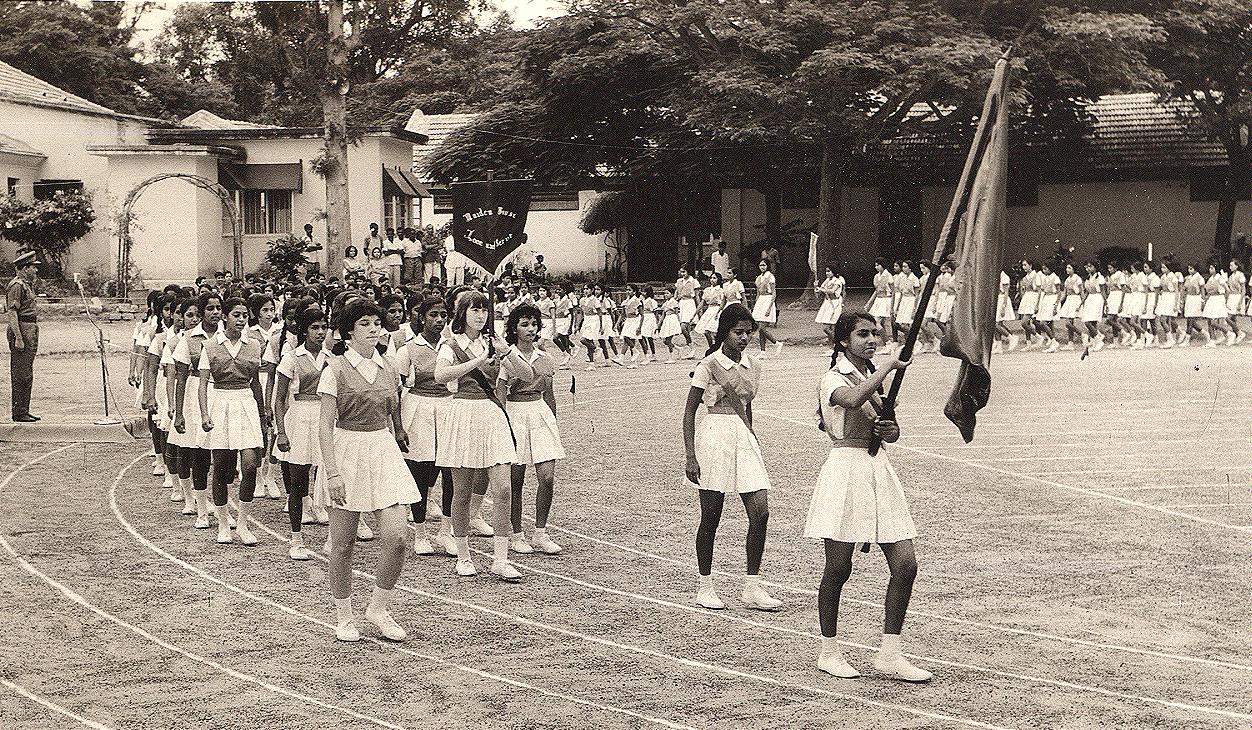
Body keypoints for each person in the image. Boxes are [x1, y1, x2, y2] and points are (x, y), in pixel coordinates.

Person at [804, 311, 930, 682]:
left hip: (878, 469)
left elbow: (889, 433)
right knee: (839, 568)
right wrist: (889, 366)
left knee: (906, 565)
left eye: (874, 333)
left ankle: (890, 653)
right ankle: (829, 651)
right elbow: (853, 400)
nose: (871, 339)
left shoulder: (869, 378)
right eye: (863, 334)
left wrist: (891, 430)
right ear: (843, 340)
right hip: (845, 470)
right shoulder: (833, 378)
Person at [319, 297, 419, 642]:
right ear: (348, 331)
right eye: (365, 323)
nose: (374, 328)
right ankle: (344, 617)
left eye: (376, 322)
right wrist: (332, 473)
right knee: (343, 544)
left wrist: (400, 430)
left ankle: (378, 608)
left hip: (382, 450)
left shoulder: (389, 367)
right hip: (347, 451)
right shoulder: (334, 370)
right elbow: (324, 426)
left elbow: (393, 410)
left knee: (397, 538)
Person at [683, 303, 782, 612]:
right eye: (738, 332)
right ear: (724, 332)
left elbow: (746, 405)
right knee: (711, 515)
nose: (744, 338)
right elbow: (689, 412)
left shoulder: (754, 365)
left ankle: (752, 587)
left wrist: (751, 435)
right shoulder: (708, 365)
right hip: (714, 435)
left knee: (761, 512)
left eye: (748, 332)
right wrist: (690, 455)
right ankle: (705, 586)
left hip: (742, 436)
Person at [434, 289, 520, 580]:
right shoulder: (450, 344)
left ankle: (500, 559)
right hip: (463, 414)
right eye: (475, 310)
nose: (481, 315)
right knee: (461, 490)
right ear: (462, 314)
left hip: (491, 415)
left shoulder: (494, 343)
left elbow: (528, 375)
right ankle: (463, 555)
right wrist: (478, 359)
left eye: (484, 310)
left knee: (503, 489)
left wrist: (505, 352)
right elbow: (441, 375)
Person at [197, 297, 269, 546]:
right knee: (222, 466)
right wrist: (205, 414)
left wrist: (262, 415)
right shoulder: (210, 346)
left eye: (244, 315)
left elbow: (257, 383)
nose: (241, 319)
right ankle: (223, 524)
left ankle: (243, 524)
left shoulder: (254, 344)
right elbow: (203, 383)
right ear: (225, 316)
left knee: (250, 464)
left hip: (246, 402)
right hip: (220, 402)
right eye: (236, 315)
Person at [498, 304, 565, 555]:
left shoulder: (545, 358)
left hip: (540, 415)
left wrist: (553, 422)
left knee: (547, 478)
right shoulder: (506, 357)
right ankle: (516, 534)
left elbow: (550, 394)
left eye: (534, 324)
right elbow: (501, 393)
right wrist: (503, 423)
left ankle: (540, 533)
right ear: (514, 328)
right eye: (524, 324)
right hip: (514, 415)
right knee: (515, 479)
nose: (530, 329)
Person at [393, 295, 456, 557]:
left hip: (448, 408)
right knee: (419, 471)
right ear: (421, 317)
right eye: (433, 315)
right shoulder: (407, 350)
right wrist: (398, 427)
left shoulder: (452, 348)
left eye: (443, 315)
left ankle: (446, 530)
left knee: (450, 471)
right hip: (417, 408)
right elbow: (396, 391)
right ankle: (420, 532)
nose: (439, 320)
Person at [273, 306, 329, 560]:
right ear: (303, 330)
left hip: (326, 417)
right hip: (299, 417)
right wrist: (281, 432)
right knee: (298, 481)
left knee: (331, 477)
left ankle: (332, 538)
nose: (319, 332)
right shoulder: (292, 357)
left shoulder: (331, 357)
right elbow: (279, 397)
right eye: (314, 328)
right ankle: (296, 540)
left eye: (323, 327)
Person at [173, 292, 224, 529]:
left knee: (223, 455)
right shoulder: (188, 339)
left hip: (223, 393)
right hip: (196, 394)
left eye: (218, 308)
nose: (215, 312)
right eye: (210, 308)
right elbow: (181, 378)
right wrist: (179, 412)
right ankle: (202, 509)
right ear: (202, 312)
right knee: (200, 455)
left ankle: (222, 507)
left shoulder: (229, 335)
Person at [6, 250, 41, 422]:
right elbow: (12, 314)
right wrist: (19, 338)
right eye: (33, 267)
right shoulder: (17, 286)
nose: (35, 271)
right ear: (24, 268)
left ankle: (23, 410)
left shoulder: (26, 285)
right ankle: (19, 412)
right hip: (22, 329)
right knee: (21, 373)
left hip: (29, 328)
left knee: (26, 372)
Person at [752, 260, 783, 357]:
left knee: (762, 327)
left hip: (768, 300)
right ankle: (763, 351)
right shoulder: (759, 278)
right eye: (760, 265)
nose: (762, 267)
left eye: (764, 265)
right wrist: (756, 305)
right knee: (760, 328)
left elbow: (774, 293)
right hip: (761, 300)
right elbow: (758, 293)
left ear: (767, 266)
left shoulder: (770, 276)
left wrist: (769, 307)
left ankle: (776, 343)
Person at [865, 259, 895, 351]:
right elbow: (876, 291)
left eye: (878, 265)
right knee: (876, 322)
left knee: (883, 323)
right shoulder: (877, 276)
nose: (876, 267)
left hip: (886, 300)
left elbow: (893, 291)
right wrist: (869, 303)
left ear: (883, 265)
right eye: (875, 265)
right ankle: (888, 343)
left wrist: (892, 306)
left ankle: (889, 343)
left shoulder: (888, 276)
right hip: (879, 300)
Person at [815, 267, 845, 353]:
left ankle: (839, 343)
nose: (827, 273)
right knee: (828, 327)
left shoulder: (837, 281)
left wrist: (821, 289)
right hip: (827, 304)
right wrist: (816, 287)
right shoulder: (827, 281)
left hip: (835, 304)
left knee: (830, 327)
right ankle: (832, 347)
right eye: (826, 271)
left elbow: (832, 291)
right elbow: (818, 293)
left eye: (829, 271)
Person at [675, 266, 702, 359]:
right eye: (681, 272)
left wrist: (699, 310)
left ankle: (692, 348)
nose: (682, 274)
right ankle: (691, 348)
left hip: (689, 304)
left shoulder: (694, 281)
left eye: (684, 272)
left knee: (684, 327)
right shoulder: (679, 281)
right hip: (681, 304)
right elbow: (676, 294)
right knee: (683, 328)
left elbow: (697, 296)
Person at [696, 273, 725, 350]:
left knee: (713, 331)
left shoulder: (721, 290)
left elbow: (723, 302)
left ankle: (718, 349)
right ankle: (712, 348)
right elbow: (702, 302)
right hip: (709, 310)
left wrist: (719, 312)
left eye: (714, 278)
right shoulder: (707, 290)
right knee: (706, 332)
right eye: (711, 278)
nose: (712, 280)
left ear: (718, 280)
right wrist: (695, 313)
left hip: (717, 310)